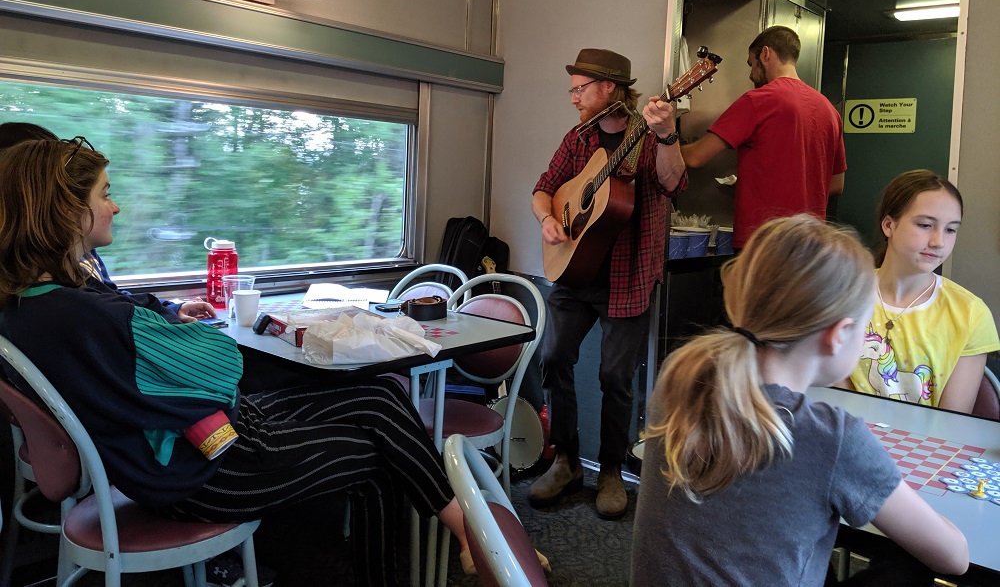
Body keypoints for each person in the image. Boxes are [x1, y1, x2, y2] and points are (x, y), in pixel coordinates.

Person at [0, 138, 470, 587]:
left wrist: (166, 329)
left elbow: (138, 326)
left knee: (381, 393)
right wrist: (177, 337)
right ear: (65, 210)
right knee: (376, 456)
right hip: (208, 469)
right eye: (105, 194)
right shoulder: (89, 317)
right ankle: (450, 540)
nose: (115, 206)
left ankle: (464, 528)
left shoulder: (35, 306)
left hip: (179, 450)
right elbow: (225, 364)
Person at [631, 214, 969, 586]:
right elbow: (954, 557)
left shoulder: (680, 378)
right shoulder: (834, 437)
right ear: (839, 335)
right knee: (910, 567)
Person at [529, 48, 686, 519]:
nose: (573, 97)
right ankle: (566, 460)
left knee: (615, 378)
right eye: (573, 88)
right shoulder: (576, 139)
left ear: (609, 90)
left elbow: (675, 183)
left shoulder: (651, 136)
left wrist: (668, 134)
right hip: (573, 275)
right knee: (553, 357)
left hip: (629, 277)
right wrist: (546, 221)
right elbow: (544, 188)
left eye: (580, 88)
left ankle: (612, 471)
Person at [0, 122, 213, 324]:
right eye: (104, 196)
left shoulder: (80, 252)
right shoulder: (39, 284)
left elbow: (112, 296)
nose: (116, 208)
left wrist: (169, 310)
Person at [840, 169, 999, 413]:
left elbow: (952, 421)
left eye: (951, 229)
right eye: (925, 225)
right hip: (851, 439)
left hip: (923, 447)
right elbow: (835, 400)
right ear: (889, 225)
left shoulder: (970, 314)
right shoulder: (840, 294)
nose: (939, 242)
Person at [680, 26, 846, 250]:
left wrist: (665, 143)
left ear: (765, 53)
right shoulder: (830, 111)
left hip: (764, 245)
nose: (751, 75)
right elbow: (836, 184)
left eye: (751, 64)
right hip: (811, 246)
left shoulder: (758, 100)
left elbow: (695, 158)